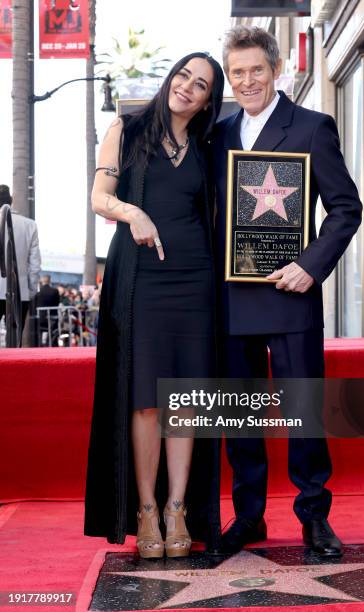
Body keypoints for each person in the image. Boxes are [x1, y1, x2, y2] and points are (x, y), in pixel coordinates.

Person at [213, 26, 362, 557]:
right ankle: (248, 516)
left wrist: (310, 266)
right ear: (229, 79)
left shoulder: (312, 127)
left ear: (274, 69)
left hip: (292, 294)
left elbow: (347, 209)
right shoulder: (219, 135)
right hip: (231, 299)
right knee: (240, 414)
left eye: (256, 69)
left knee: (303, 409)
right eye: (237, 73)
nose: (247, 80)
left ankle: (314, 516)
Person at [84, 52, 224, 558]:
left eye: (201, 84)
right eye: (183, 75)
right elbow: (99, 197)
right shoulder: (127, 128)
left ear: (210, 99)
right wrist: (133, 213)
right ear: (171, 79)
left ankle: (177, 508)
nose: (188, 87)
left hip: (196, 284)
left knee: (184, 401)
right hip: (142, 281)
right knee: (145, 400)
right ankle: (146, 510)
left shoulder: (208, 146)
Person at [0, 184, 41, 344]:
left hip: (17, 290)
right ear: (11, 200)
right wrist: (30, 291)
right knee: (14, 342)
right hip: (20, 291)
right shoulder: (29, 225)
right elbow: (35, 264)